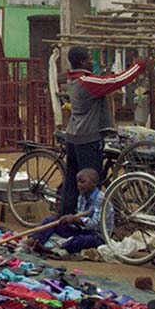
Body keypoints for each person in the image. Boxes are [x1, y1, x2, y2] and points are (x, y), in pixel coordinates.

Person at [63, 47, 145, 215]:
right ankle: (88, 219)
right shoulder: (87, 82)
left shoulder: (73, 79)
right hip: (87, 139)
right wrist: (138, 66)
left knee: (72, 181)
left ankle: (67, 216)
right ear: (81, 62)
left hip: (73, 137)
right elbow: (115, 81)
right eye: (89, 59)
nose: (92, 62)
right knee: (90, 183)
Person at [28, 168, 113, 257]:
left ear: (93, 184)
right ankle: (32, 241)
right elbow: (79, 221)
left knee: (83, 240)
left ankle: (53, 250)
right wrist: (69, 220)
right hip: (82, 230)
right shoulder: (82, 196)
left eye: (82, 182)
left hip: (98, 236)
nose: (79, 185)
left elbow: (95, 224)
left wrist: (75, 219)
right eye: (78, 182)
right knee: (51, 220)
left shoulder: (101, 199)